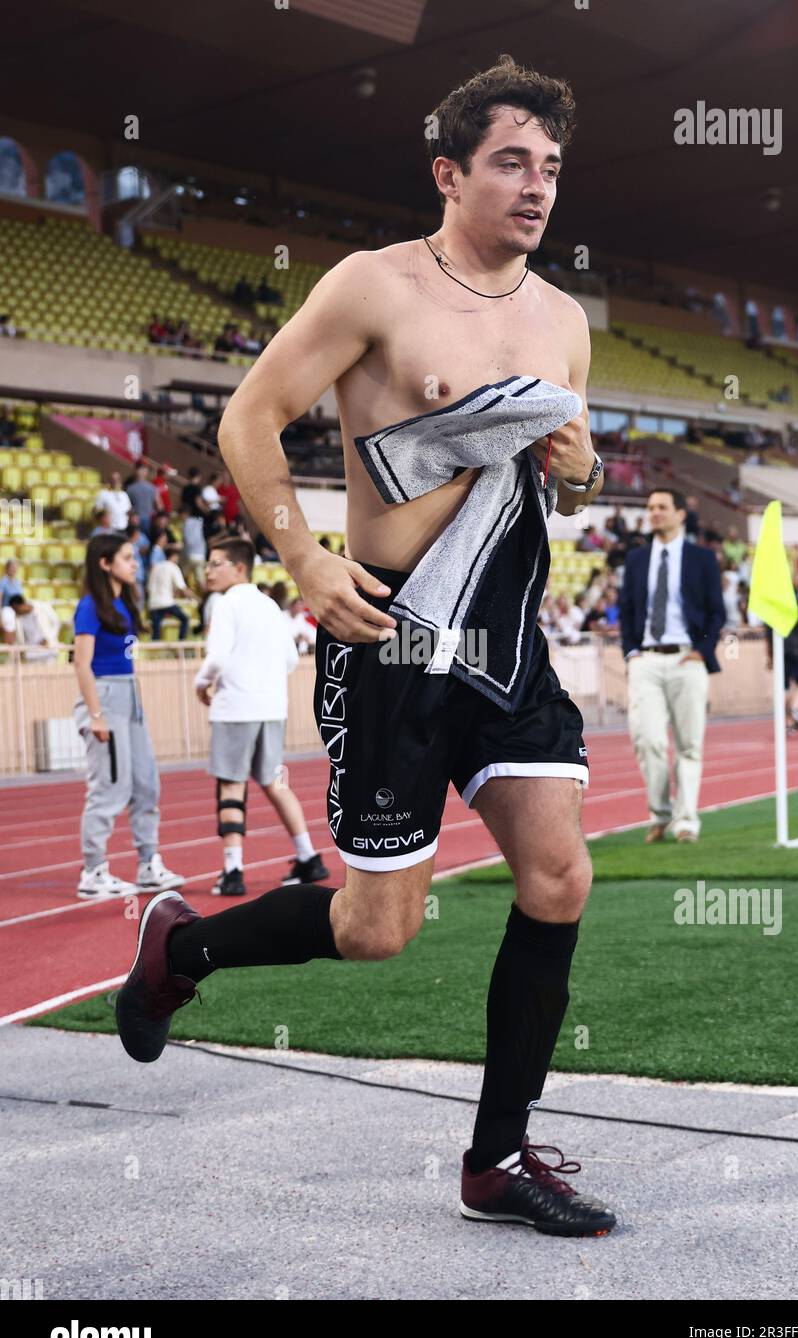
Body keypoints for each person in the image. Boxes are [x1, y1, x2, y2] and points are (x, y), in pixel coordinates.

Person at [115, 56, 616, 1239]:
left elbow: (580, 469)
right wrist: (302, 556)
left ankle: (496, 1159)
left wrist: (582, 468)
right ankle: (183, 946)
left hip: (508, 640)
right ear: (449, 173)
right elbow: (248, 417)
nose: (537, 186)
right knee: (374, 929)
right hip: (390, 633)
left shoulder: (562, 319)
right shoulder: (373, 286)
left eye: (549, 167)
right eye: (510, 163)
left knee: (560, 874)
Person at [194, 534, 329, 895]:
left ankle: (233, 871)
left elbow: (218, 658)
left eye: (215, 563)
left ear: (239, 568)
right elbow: (288, 659)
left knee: (231, 783)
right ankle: (308, 856)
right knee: (274, 781)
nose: (208, 571)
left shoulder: (225, 604)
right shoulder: (270, 605)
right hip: (271, 707)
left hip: (236, 707)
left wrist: (200, 682)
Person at [72, 533, 185, 899]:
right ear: (105, 563)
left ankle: (149, 863)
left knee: (146, 783)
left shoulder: (125, 605)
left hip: (130, 696)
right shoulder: (90, 606)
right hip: (105, 697)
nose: (135, 562)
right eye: (126, 557)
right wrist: (96, 715)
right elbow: (81, 664)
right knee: (110, 788)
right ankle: (93, 871)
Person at [619, 488, 725, 843]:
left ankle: (685, 823)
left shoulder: (702, 559)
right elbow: (628, 610)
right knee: (648, 740)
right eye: (650, 508)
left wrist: (702, 650)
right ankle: (660, 814)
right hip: (646, 659)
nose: (655, 513)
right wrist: (631, 652)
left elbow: (717, 612)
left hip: (687, 659)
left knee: (689, 745)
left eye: (662, 507)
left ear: (680, 514)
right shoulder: (635, 560)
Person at [765, 595, 798, 732]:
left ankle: (788, 719)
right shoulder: (795, 600)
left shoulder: (771, 602)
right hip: (796, 647)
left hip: (780, 649)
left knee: (784, 686)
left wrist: (770, 655)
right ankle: (792, 710)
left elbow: (767, 633)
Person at [147, 543, 193, 640]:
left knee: (156, 633)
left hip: (153, 604)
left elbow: (149, 587)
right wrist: (191, 597)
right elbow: (182, 588)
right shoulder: (173, 567)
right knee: (185, 620)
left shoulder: (156, 567)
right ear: (174, 556)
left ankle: (154, 654)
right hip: (167, 602)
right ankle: (181, 645)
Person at [125, 462, 157, 537]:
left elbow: (158, 504)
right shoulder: (129, 487)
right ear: (135, 470)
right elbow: (127, 505)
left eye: (144, 469)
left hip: (147, 520)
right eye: (140, 468)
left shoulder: (152, 488)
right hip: (135, 519)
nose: (141, 471)